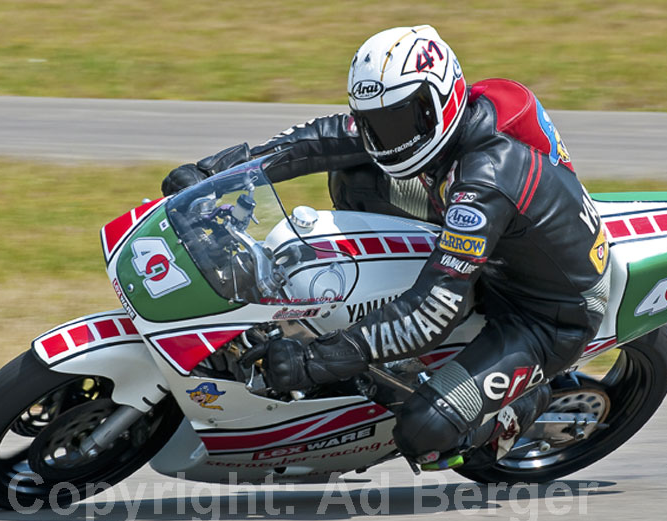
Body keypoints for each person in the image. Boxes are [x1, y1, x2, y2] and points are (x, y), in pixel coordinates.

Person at [161, 25, 610, 469]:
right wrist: (215, 175)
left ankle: (526, 401)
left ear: (442, 100)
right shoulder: (430, 127)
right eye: (376, 122)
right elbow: (320, 139)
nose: (386, 136)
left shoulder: (487, 178)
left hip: (545, 313)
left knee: (425, 432)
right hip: (497, 252)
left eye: (399, 120)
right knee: (354, 173)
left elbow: (431, 311)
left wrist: (316, 361)